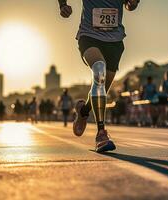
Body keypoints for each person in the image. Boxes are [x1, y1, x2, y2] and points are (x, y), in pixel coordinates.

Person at [58, 0, 140, 152]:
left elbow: (129, 6)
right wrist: (62, 5)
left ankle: (83, 111)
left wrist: (133, 3)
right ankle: (101, 134)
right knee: (99, 70)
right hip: (89, 37)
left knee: (101, 87)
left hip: (114, 42)